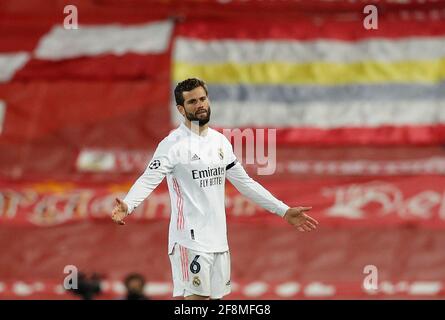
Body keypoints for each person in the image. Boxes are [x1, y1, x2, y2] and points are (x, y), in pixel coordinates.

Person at [111, 78, 319, 300]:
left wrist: (283, 210)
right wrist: (129, 204)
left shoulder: (220, 142)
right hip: (189, 239)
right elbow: (149, 178)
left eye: (202, 99)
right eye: (192, 102)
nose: (200, 104)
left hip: (219, 240)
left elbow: (245, 183)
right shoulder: (172, 145)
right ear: (181, 109)